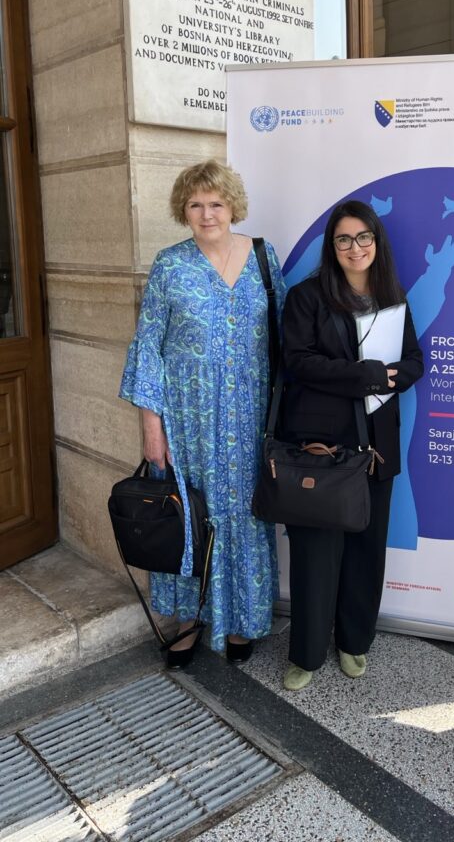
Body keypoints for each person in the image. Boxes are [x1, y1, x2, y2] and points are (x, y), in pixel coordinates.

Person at [120, 161, 285, 668]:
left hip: (250, 416)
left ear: (232, 205)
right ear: (183, 211)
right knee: (189, 516)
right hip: (187, 420)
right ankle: (188, 621)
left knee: (242, 515)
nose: (207, 213)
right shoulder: (170, 265)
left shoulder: (262, 256)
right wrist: (153, 425)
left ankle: (241, 619)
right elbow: (148, 346)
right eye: (196, 204)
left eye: (216, 203)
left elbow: (287, 335)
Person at [279, 199, 424, 690]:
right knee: (316, 553)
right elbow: (298, 362)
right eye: (344, 239)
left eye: (364, 237)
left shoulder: (391, 295)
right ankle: (305, 653)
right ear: (332, 246)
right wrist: (366, 376)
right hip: (322, 444)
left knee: (366, 549)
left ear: (376, 242)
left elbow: (414, 361)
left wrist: (393, 376)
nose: (355, 247)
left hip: (376, 442)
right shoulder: (307, 297)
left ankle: (354, 642)